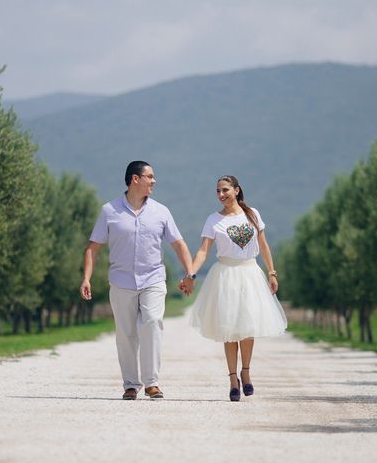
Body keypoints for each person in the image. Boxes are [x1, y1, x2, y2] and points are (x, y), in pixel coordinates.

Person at [80, 161, 195, 400]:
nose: (154, 181)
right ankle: (131, 384)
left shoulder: (161, 211)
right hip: (121, 281)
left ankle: (152, 382)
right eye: (149, 177)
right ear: (135, 179)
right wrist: (86, 278)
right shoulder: (109, 211)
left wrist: (190, 274)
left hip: (153, 278)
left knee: (152, 323)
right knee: (126, 333)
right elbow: (93, 247)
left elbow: (178, 244)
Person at [179, 175, 287, 401]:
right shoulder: (213, 220)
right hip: (226, 275)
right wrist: (191, 274)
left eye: (225, 190)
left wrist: (272, 272)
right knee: (229, 328)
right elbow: (203, 251)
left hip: (250, 274)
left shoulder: (253, 214)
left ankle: (245, 373)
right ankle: (232, 380)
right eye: (218, 191)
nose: (221, 195)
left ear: (236, 190)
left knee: (248, 327)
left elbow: (263, 245)